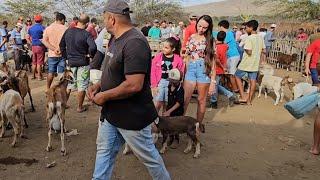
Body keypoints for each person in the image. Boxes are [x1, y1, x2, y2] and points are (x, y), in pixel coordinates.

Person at [88, 1, 171, 179]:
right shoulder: (116, 39)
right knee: (104, 152)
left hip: (131, 116)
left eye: (104, 19)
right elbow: (113, 71)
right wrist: (99, 86)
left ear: (111, 19)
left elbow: (134, 84)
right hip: (111, 114)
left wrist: (103, 96)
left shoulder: (134, 42)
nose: (104, 23)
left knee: (149, 158)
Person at [60, 13, 97, 113]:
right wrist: (89, 55)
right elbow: (93, 47)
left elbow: (61, 45)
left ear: (78, 21)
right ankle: (79, 107)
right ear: (87, 23)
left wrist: (66, 57)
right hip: (83, 63)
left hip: (70, 63)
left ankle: (64, 104)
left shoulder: (68, 31)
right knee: (82, 85)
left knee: (69, 85)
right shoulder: (86, 34)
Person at [184, 15, 216, 123]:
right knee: (184, 100)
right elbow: (187, 56)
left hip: (204, 70)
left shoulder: (210, 40)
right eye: (199, 26)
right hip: (191, 69)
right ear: (196, 23)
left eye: (204, 27)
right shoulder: (191, 37)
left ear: (209, 28)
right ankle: (178, 128)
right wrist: (186, 71)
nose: (201, 29)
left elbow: (213, 62)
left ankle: (197, 129)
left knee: (201, 100)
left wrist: (213, 82)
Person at [235, 20, 266, 105]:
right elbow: (264, 50)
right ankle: (249, 100)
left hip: (246, 63)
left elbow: (249, 52)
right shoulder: (260, 38)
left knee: (237, 76)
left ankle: (242, 96)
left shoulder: (249, 38)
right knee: (253, 81)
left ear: (251, 28)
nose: (245, 29)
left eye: (246, 28)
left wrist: (243, 48)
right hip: (255, 63)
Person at [151, 37, 185, 113]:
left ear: (173, 49)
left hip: (171, 84)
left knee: (167, 104)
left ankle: (164, 120)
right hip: (160, 83)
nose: (163, 49)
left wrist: (176, 85)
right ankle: (154, 121)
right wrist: (154, 86)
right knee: (157, 103)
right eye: (163, 46)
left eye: (166, 48)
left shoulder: (178, 59)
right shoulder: (158, 57)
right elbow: (152, 71)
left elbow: (180, 73)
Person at [210, 31, 237, 109]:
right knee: (215, 85)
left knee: (214, 84)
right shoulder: (225, 46)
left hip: (217, 68)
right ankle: (229, 95)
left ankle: (214, 101)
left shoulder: (216, 47)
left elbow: (217, 60)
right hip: (221, 68)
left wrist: (222, 67)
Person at [42, 12, 68, 90]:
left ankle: (47, 88)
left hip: (52, 54)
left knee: (51, 72)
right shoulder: (65, 28)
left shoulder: (48, 28)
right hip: (62, 54)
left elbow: (44, 41)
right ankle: (60, 89)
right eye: (64, 21)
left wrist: (54, 49)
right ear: (62, 20)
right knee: (61, 73)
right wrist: (60, 49)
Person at [214, 20, 241, 92]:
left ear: (221, 26)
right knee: (228, 73)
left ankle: (235, 89)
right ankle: (231, 88)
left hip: (233, 56)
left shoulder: (228, 34)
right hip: (230, 56)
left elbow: (221, 41)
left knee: (231, 74)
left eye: (219, 27)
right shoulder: (229, 33)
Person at [162, 68, 184, 148]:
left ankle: (176, 140)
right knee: (169, 125)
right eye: (170, 80)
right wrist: (166, 110)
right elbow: (168, 98)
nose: (171, 82)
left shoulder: (180, 89)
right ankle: (171, 138)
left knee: (176, 126)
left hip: (177, 111)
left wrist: (169, 111)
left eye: (173, 81)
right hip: (170, 109)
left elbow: (179, 103)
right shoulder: (169, 86)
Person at [28, 14, 46, 80]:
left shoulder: (31, 28)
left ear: (35, 20)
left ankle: (33, 76)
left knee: (34, 62)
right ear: (41, 20)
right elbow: (45, 36)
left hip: (33, 46)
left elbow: (27, 37)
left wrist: (31, 43)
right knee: (39, 62)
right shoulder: (42, 27)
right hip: (40, 46)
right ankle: (39, 76)